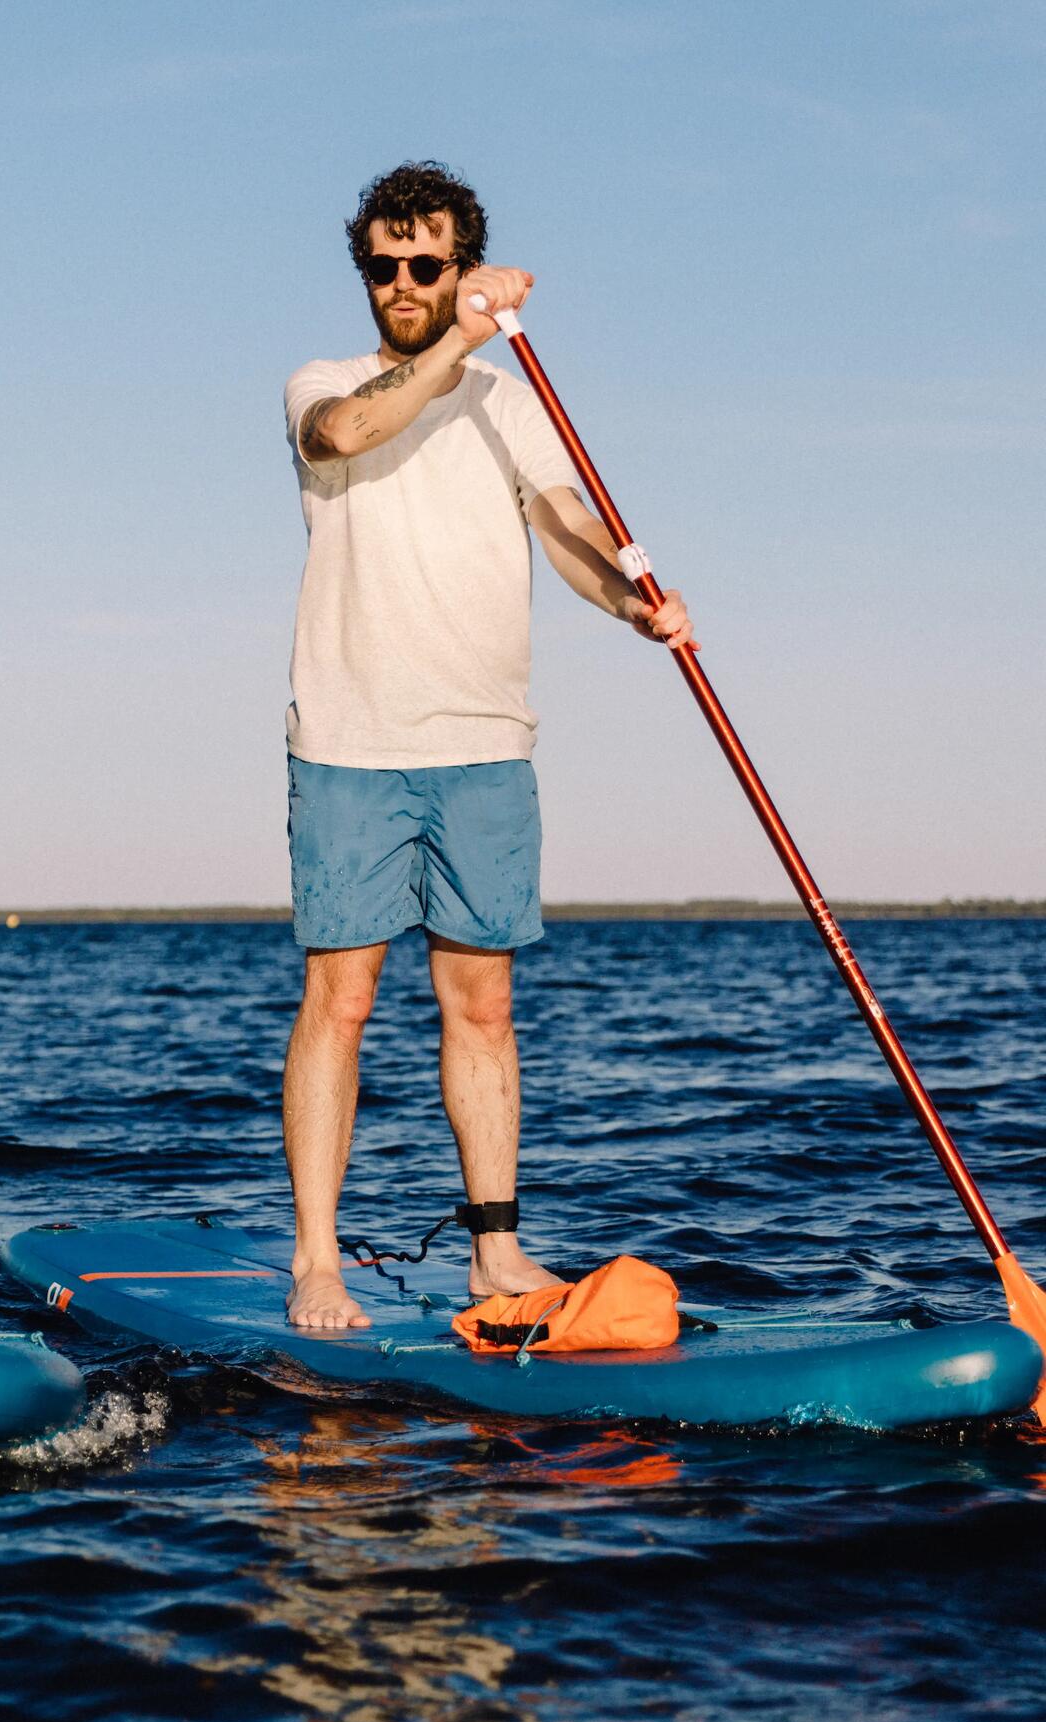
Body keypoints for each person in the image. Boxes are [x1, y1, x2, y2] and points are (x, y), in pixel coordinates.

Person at [280, 163, 698, 1330]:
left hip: (485, 739)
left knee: (483, 1008)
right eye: (384, 266)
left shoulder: (508, 401)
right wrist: (456, 340)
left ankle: (496, 1254)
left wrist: (632, 600)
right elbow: (353, 431)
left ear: (463, 266)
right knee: (342, 1001)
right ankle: (317, 1257)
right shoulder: (327, 381)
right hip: (351, 738)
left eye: (428, 265)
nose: (403, 284)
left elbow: (567, 526)